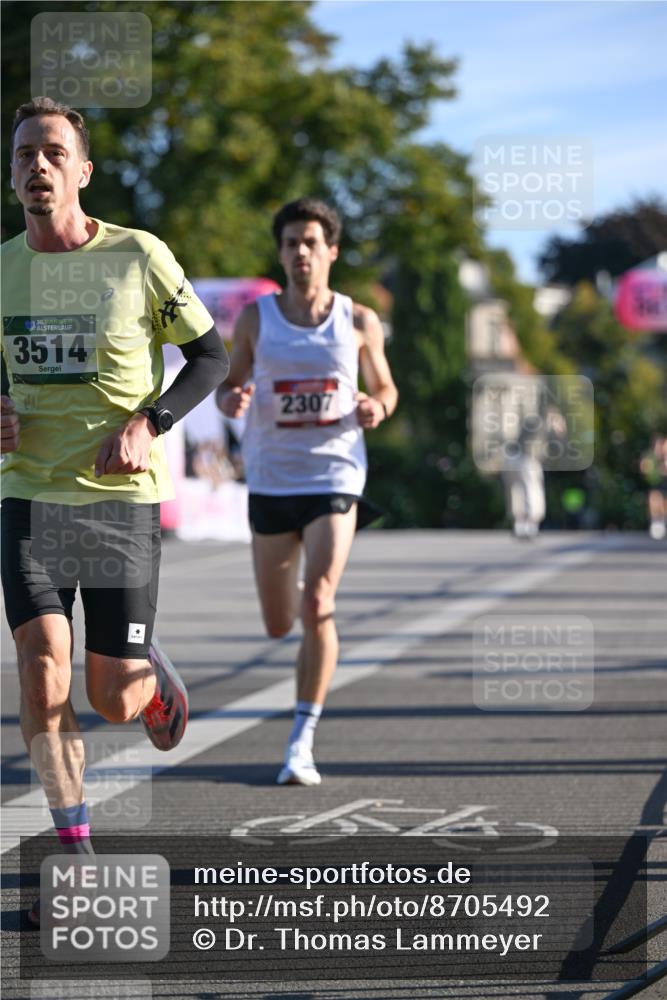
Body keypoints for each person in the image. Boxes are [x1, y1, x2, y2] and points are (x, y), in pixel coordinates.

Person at [0, 97, 229, 923]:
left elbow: (210, 355)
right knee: (40, 668)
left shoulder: (138, 257)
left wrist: (150, 421)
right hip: (28, 494)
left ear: (82, 171)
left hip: (119, 499)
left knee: (113, 701)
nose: (38, 165)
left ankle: (149, 682)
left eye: (54, 152)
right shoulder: (0, 269)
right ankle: (75, 856)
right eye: (24, 152)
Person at [217, 197, 398, 786]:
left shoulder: (359, 320)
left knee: (318, 602)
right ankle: (292, 580)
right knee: (277, 624)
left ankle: (302, 739)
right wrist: (232, 400)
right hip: (271, 480)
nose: (300, 253)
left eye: (311, 243)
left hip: (334, 475)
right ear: (281, 252)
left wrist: (376, 407)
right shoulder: (254, 320)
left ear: (331, 252)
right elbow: (228, 388)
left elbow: (387, 390)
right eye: (291, 242)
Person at [640, 434, 667, 540]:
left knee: (664, 504)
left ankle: (662, 521)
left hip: (664, 483)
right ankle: (656, 522)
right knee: (654, 499)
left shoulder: (664, 457)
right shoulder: (650, 456)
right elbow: (644, 467)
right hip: (655, 484)